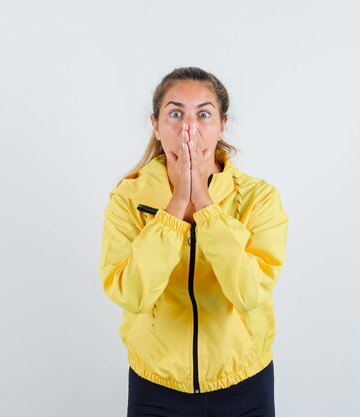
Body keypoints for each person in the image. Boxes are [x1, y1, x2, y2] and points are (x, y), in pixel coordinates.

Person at [98, 66, 289, 417]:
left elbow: (248, 293)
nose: (189, 128)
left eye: (203, 114)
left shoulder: (259, 198)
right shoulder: (128, 198)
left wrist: (204, 203)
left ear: (222, 125)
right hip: (156, 386)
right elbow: (131, 295)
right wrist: (172, 212)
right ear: (155, 125)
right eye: (175, 114)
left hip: (245, 384)